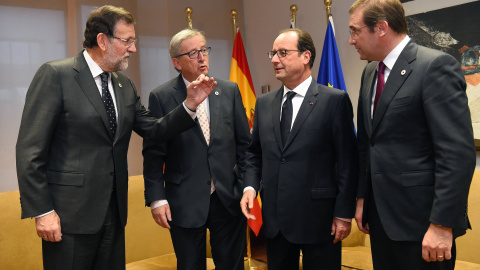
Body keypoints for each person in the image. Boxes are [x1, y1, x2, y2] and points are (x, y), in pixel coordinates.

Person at [16, 6, 216, 270]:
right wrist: (42, 212)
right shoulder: (57, 75)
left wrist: (189, 105)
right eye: (127, 41)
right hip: (68, 218)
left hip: (113, 214)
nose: (133, 48)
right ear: (102, 40)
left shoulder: (124, 85)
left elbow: (153, 130)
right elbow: (30, 150)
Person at [348, 0, 476, 269]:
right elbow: (366, 144)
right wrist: (362, 199)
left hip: (424, 225)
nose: (351, 40)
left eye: (355, 31)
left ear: (381, 28)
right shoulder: (371, 72)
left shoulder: (434, 66)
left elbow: (456, 153)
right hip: (381, 221)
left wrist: (442, 224)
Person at [240, 28, 358, 270]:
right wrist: (250, 186)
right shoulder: (263, 104)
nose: (274, 59)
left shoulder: (334, 101)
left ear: (306, 56)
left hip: (320, 220)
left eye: (283, 53)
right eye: (272, 53)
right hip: (276, 221)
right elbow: (254, 152)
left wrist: (343, 213)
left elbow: (348, 161)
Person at [142, 28, 250, 270]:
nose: (202, 57)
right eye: (193, 53)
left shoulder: (229, 90)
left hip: (228, 198)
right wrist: (157, 198)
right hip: (185, 200)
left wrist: (245, 185)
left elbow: (245, 146)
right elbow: (153, 152)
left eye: (204, 50)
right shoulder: (161, 97)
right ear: (176, 63)